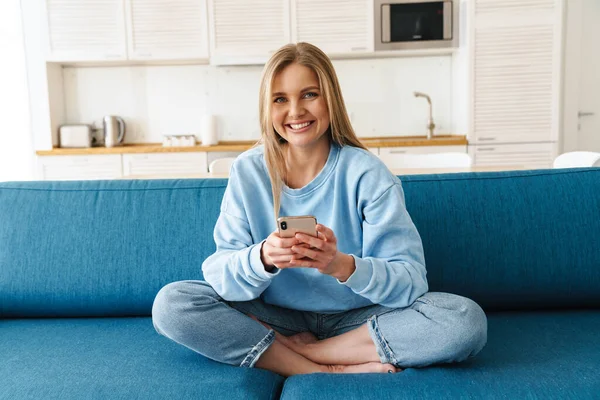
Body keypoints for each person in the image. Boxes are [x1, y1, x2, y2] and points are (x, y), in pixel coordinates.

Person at [152, 42, 487, 377]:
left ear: (331, 99)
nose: (296, 111)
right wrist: (264, 257)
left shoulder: (367, 174)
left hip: (359, 320)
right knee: (172, 304)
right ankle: (321, 370)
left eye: (309, 94)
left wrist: (340, 265)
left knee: (464, 320)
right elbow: (221, 275)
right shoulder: (248, 172)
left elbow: (411, 282)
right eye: (280, 99)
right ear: (267, 109)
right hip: (276, 315)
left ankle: (310, 352)